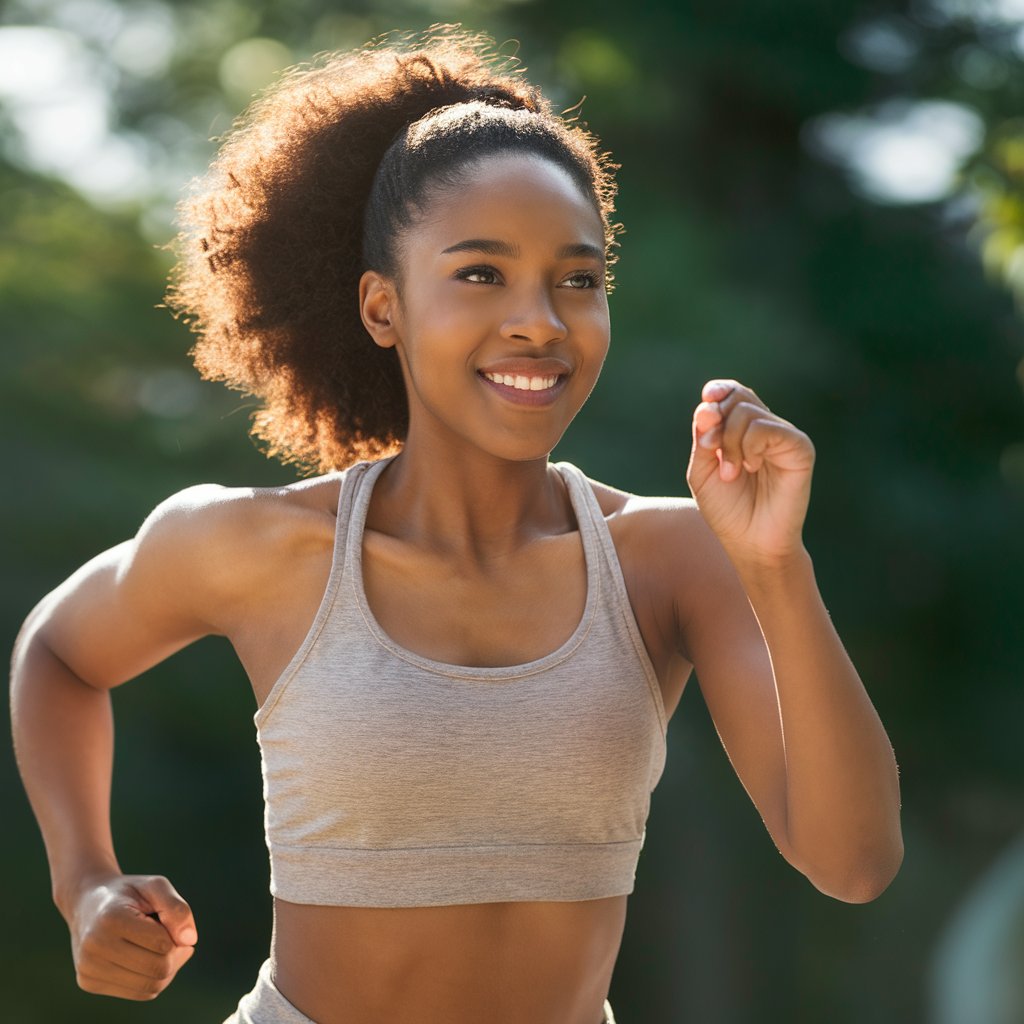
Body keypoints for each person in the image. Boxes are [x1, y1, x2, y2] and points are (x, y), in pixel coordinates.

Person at [9, 25, 903, 1024]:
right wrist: (84, 880)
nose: (542, 321)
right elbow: (59, 653)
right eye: (481, 273)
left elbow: (854, 861)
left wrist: (775, 562)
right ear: (381, 307)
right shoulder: (257, 548)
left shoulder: (671, 558)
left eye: (578, 278)